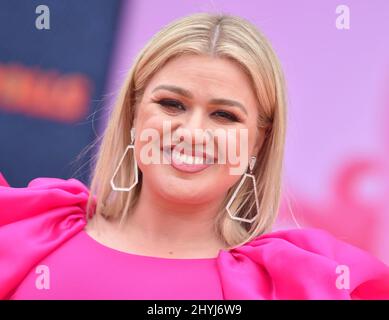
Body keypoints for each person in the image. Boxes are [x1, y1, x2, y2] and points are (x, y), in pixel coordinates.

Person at [1, 13, 388, 300]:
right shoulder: (26, 231)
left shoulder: (294, 285)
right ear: (134, 113)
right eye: (172, 104)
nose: (191, 132)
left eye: (224, 115)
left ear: (258, 141)